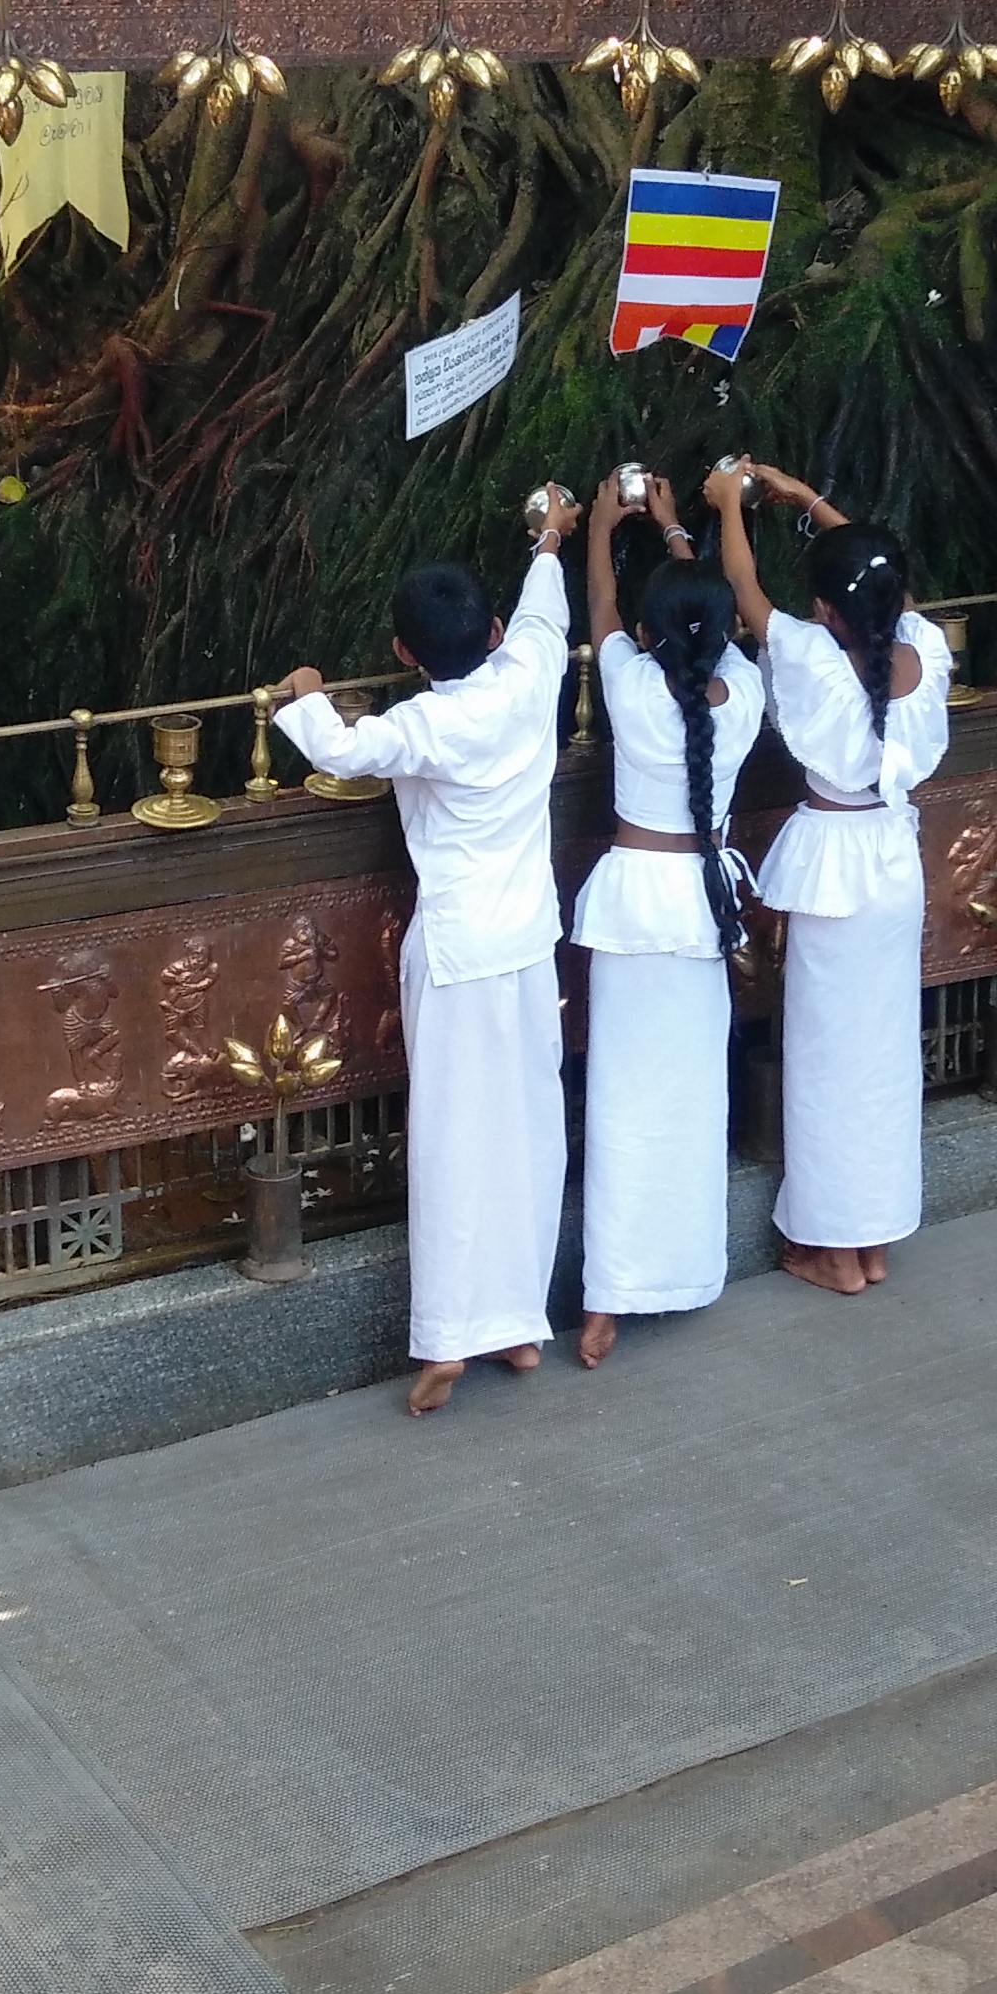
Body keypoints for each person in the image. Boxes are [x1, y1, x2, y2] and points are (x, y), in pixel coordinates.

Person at [274, 490, 580, 1410]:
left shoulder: (423, 726)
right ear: (492, 632)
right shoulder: (529, 674)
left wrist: (305, 691)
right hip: (526, 943)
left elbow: (338, 749)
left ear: (405, 655)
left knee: (454, 1141)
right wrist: (550, 538)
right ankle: (519, 1324)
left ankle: (451, 1339)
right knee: (529, 1131)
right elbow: (545, 608)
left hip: (455, 951)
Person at [710, 461, 951, 1294]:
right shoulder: (924, 649)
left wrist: (729, 505)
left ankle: (832, 1253)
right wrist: (811, 501)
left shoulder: (812, 656)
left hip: (837, 870)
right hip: (892, 864)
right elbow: (886, 586)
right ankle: (871, 1241)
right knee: (881, 1057)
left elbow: (744, 589)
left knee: (825, 1061)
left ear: (824, 611)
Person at [571, 470, 767, 1368]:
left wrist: (601, 531)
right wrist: (678, 528)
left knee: (622, 1104)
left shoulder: (629, 686)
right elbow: (703, 625)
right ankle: (681, 1272)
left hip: (634, 904)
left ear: (648, 637)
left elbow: (604, 612)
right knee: (691, 1102)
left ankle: (606, 1300)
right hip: (699, 906)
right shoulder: (747, 695)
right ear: (725, 638)